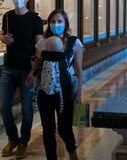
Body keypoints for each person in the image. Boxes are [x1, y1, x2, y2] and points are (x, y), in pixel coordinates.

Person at [27, 9, 84, 160]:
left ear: (65, 24)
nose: (56, 24)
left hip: (65, 91)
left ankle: (72, 152)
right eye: (52, 21)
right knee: (48, 129)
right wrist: (32, 73)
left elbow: (78, 70)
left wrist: (78, 93)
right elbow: (37, 66)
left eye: (59, 21)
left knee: (64, 128)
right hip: (45, 91)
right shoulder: (43, 42)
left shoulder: (74, 42)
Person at [0, 0, 43, 158]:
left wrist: (35, 69)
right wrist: (3, 39)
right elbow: (3, 36)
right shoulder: (7, 16)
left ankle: (23, 142)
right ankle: (13, 139)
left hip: (27, 70)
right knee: (4, 107)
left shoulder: (34, 19)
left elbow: (39, 46)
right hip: (9, 68)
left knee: (26, 109)